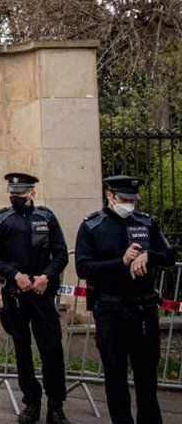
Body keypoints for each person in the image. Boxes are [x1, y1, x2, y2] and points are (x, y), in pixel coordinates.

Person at [75, 175, 176, 424]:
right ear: (109, 196)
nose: (129, 204)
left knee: (147, 378)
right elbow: (83, 268)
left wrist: (148, 256)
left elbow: (169, 255)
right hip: (110, 309)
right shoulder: (92, 226)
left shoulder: (145, 223)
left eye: (133, 199)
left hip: (143, 309)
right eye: (124, 198)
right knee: (115, 377)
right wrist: (120, 262)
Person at [0, 173, 71, 424]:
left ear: (32, 192)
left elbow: (61, 254)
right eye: (12, 193)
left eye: (21, 193)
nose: (16, 197)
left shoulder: (46, 217)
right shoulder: (1, 219)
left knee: (52, 349)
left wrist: (46, 276)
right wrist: (14, 275)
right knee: (22, 349)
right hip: (16, 294)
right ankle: (31, 402)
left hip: (42, 293)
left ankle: (56, 405)